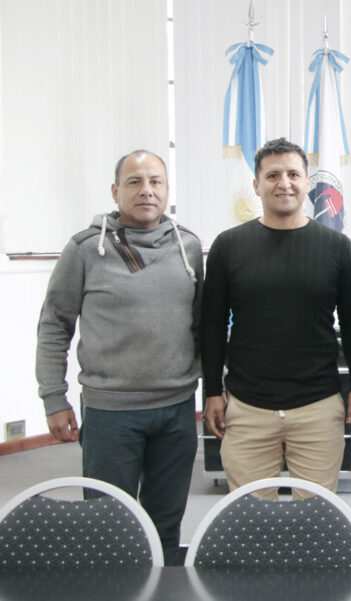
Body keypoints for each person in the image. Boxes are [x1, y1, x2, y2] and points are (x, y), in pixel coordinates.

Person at [35, 150, 202, 563]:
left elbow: (204, 326)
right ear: (115, 191)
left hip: (177, 411)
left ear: (167, 190)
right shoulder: (84, 249)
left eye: (155, 182)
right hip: (111, 413)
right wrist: (53, 397)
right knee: (107, 527)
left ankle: (162, 588)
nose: (146, 190)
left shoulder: (189, 246)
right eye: (134, 182)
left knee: (166, 526)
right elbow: (54, 324)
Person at [201, 138, 351, 500]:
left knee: (317, 519)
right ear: (256, 185)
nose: (284, 183)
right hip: (247, 409)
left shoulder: (338, 247)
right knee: (250, 521)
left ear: (307, 182)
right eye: (273, 175)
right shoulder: (228, 247)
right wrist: (212, 391)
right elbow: (212, 325)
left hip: (318, 409)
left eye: (293, 174)